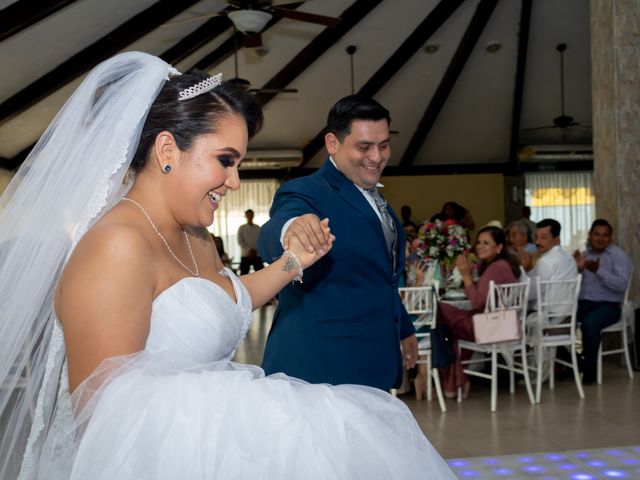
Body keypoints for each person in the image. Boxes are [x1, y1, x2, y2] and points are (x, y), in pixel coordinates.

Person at [0, 52, 456, 479]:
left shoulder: (194, 236)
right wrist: (256, 414)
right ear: (166, 150)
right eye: (225, 161)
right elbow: (104, 413)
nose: (235, 182)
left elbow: (229, 300)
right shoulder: (116, 246)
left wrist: (293, 263)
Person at [258, 95, 418, 391]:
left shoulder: (375, 198)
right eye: (364, 146)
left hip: (371, 361)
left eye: (383, 145)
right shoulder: (305, 191)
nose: (377, 156)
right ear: (333, 143)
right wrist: (293, 229)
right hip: (320, 369)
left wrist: (403, 327)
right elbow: (275, 231)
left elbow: (379, 278)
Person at [436, 226, 520, 398]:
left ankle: (448, 379)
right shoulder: (502, 265)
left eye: (486, 243)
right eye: (479, 242)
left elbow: (477, 302)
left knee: (440, 308)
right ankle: (456, 383)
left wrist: (465, 275)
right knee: (453, 332)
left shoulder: (496, 267)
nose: (480, 246)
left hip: (489, 327)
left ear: (499, 247)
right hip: (499, 324)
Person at [573, 219, 633, 384]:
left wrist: (598, 271)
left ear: (610, 237)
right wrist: (577, 270)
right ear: (590, 236)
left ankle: (590, 372)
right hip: (583, 304)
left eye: (605, 235)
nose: (601, 239)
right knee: (558, 321)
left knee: (589, 324)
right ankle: (576, 364)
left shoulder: (619, 256)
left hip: (608, 306)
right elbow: (575, 285)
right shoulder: (585, 255)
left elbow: (621, 285)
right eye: (597, 234)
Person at [237, 208, 263, 274]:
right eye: (248, 215)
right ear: (245, 216)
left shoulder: (258, 228)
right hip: (246, 254)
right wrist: (249, 251)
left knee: (260, 273)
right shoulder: (241, 228)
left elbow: (261, 241)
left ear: (253, 215)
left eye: (251, 214)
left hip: (256, 254)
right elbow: (240, 241)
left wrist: (255, 251)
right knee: (244, 274)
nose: (250, 216)